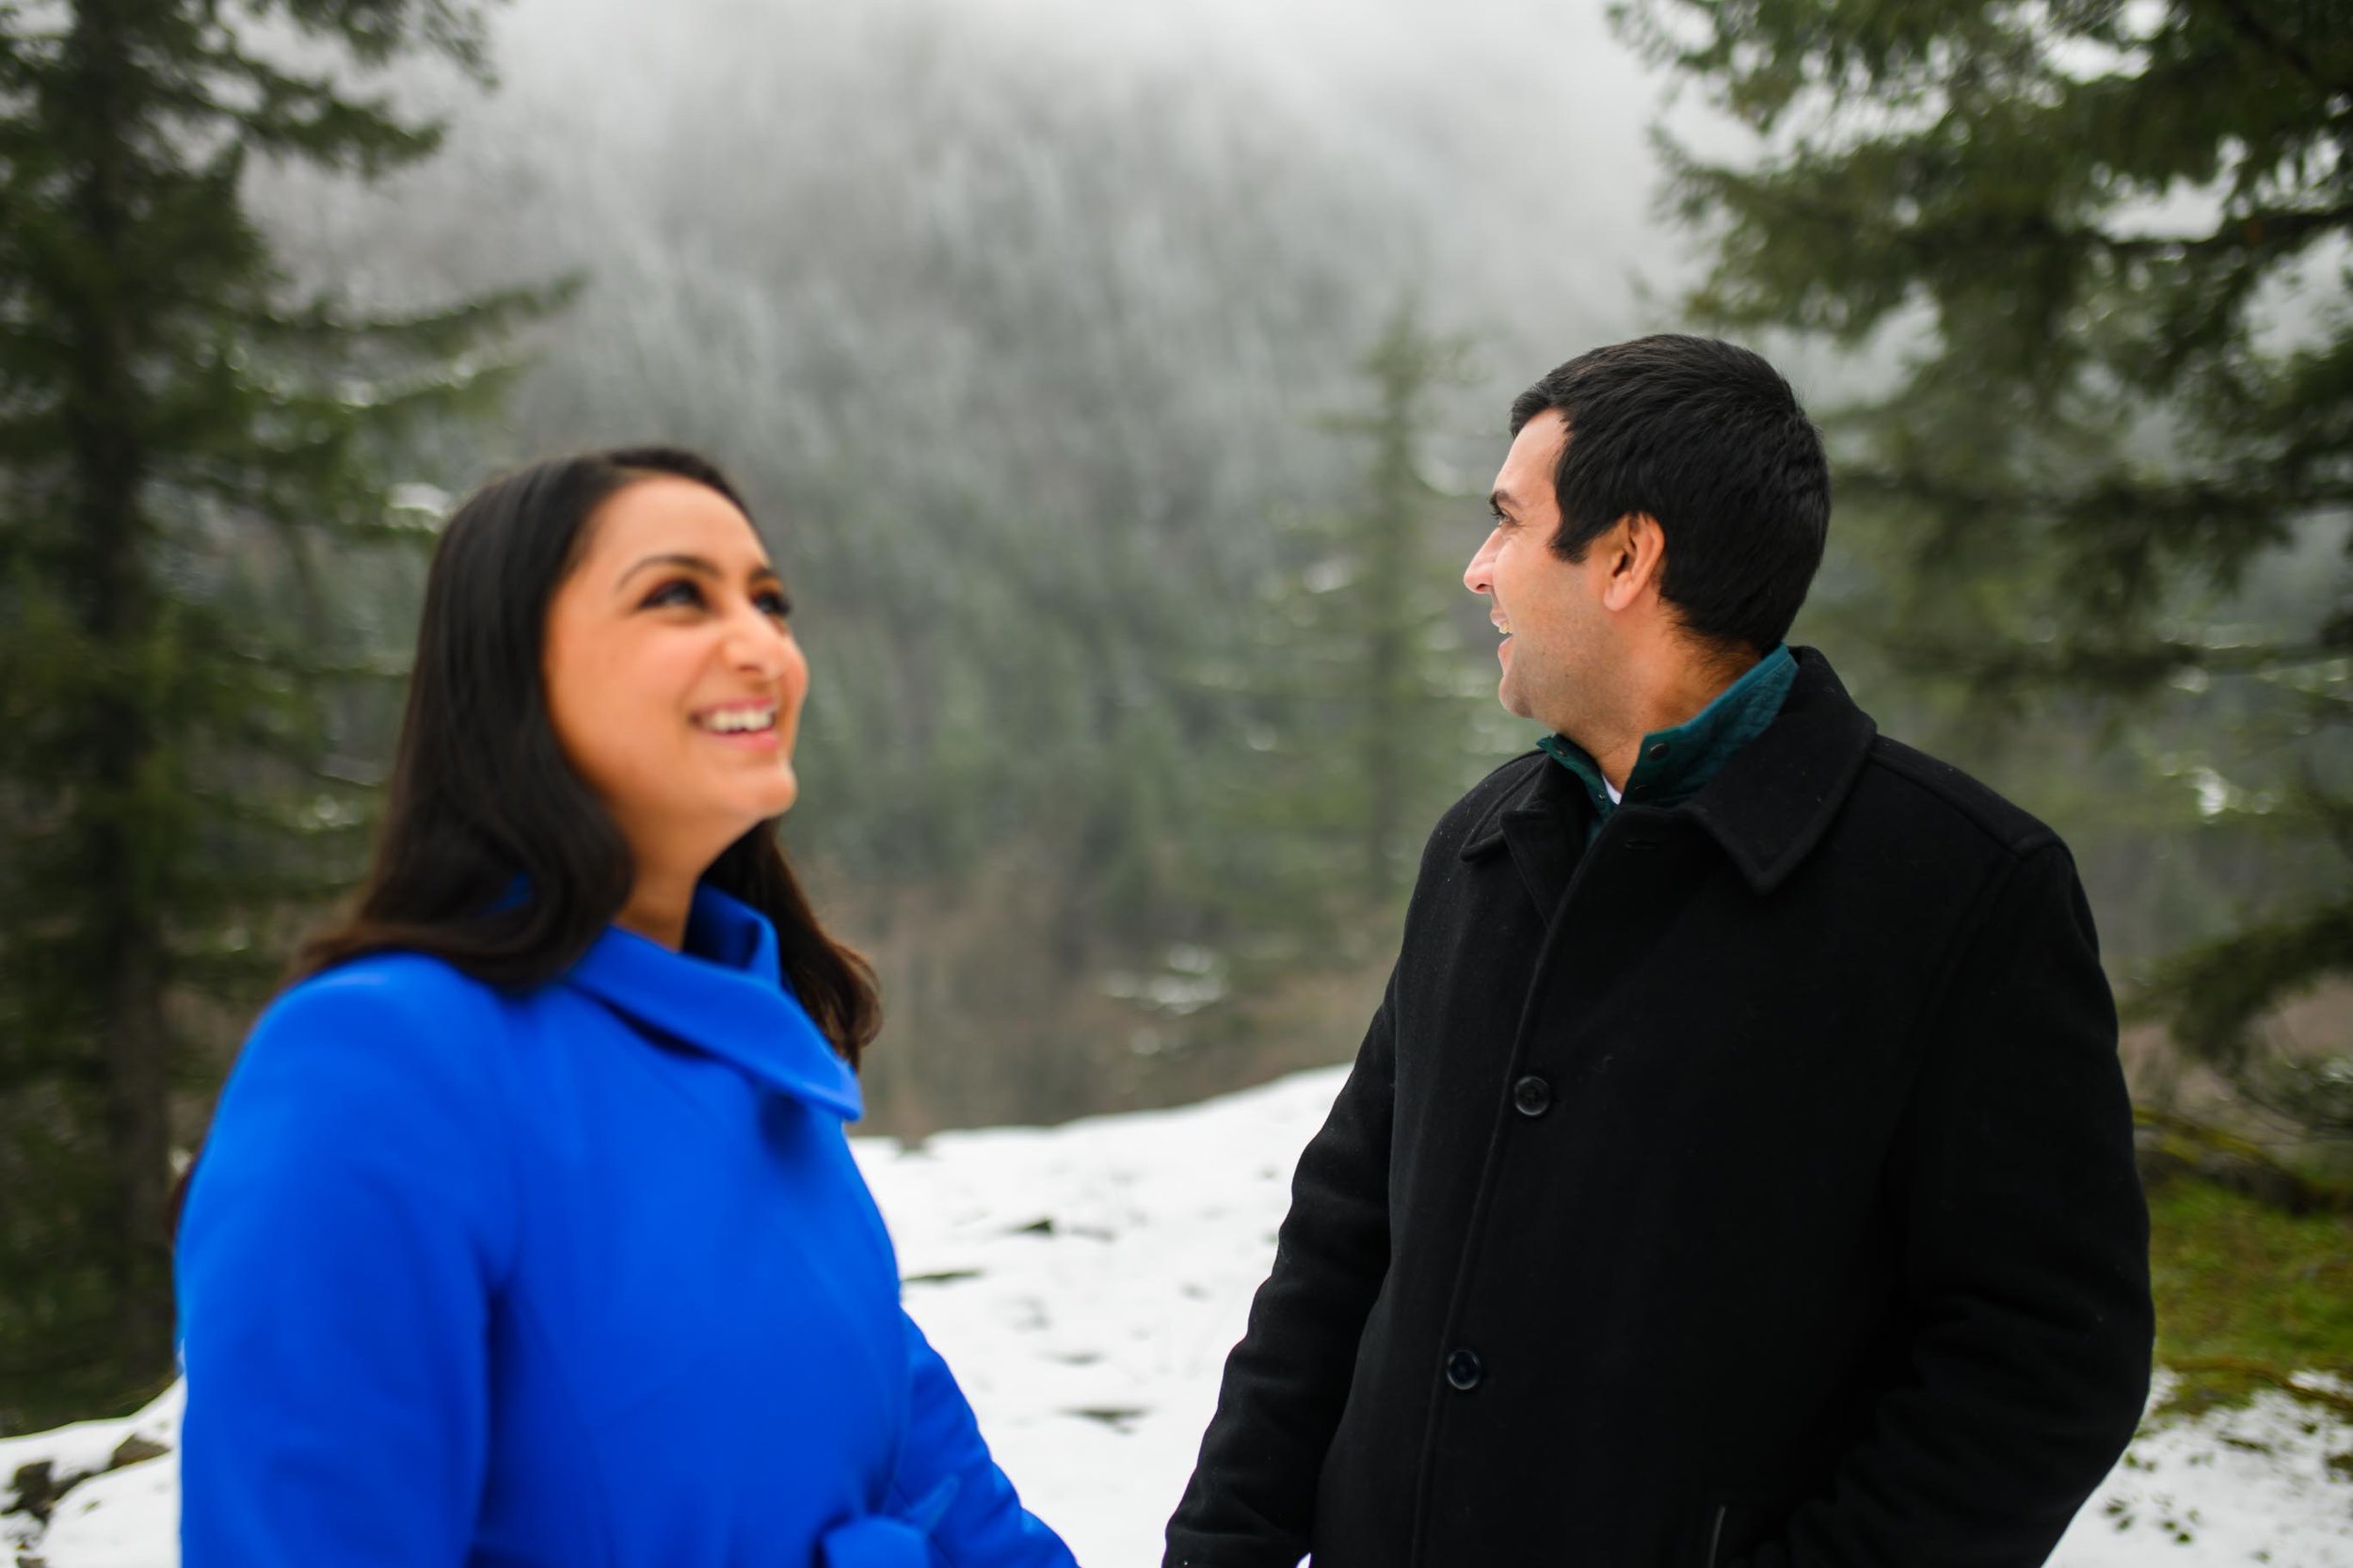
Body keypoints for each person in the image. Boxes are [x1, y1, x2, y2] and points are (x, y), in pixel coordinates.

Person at [1165, 336, 2153, 1568]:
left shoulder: (1964, 892)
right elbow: (1340, 1241)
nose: (1479, 572)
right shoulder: (1479, 844)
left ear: (1628, 557)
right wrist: (1224, 1541)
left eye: (1509, 523)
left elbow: (2045, 1358)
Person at [177, 448, 1077, 1568]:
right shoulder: (380, 1067)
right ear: (514, 669)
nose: (763, 646)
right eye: (676, 596)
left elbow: (931, 1478)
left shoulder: (756, 1056)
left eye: (770, 601)